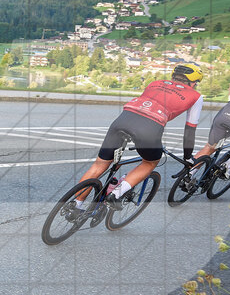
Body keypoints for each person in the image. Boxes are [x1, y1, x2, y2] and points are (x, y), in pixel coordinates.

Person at [75, 63, 204, 210]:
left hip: (123, 119)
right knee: (150, 163)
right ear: (193, 82)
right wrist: (187, 157)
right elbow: (190, 130)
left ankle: (75, 205)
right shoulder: (196, 96)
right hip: (149, 127)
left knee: (99, 165)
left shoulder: (155, 83)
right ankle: (116, 195)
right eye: (196, 83)